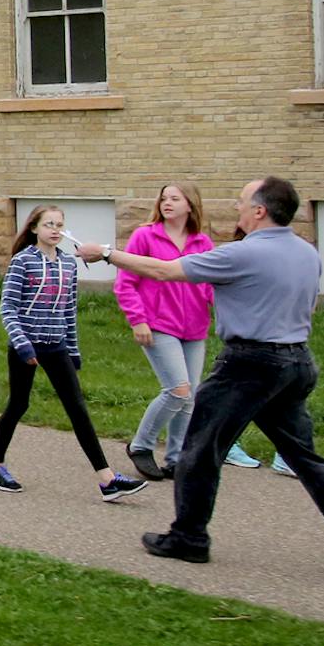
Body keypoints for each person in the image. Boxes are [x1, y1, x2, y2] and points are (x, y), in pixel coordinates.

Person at [86, 178, 324, 583]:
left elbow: (164, 272)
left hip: (249, 365)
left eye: (241, 204)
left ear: (260, 211)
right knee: (307, 459)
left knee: (199, 450)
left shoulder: (243, 254)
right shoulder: (308, 253)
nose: (236, 210)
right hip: (297, 362)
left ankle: (188, 538)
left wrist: (108, 253)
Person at [0, 205, 146, 502]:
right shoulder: (22, 262)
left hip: (56, 346)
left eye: (59, 225)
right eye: (48, 224)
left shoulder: (68, 264)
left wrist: (73, 350)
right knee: (18, 405)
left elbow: (69, 311)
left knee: (78, 410)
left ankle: (107, 480)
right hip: (26, 347)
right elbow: (7, 308)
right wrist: (22, 344)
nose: (55, 230)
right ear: (34, 228)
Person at [115, 182, 217, 481]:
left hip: (195, 328)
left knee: (190, 396)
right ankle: (141, 445)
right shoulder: (145, 236)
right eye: (163, 198)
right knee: (177, 389)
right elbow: (125, 284)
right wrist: (138, 320)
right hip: (158, 325)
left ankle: (176, 459)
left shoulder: (202, 243)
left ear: (191, 205)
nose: (167, 203)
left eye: (175, 198)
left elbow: (211, 286)